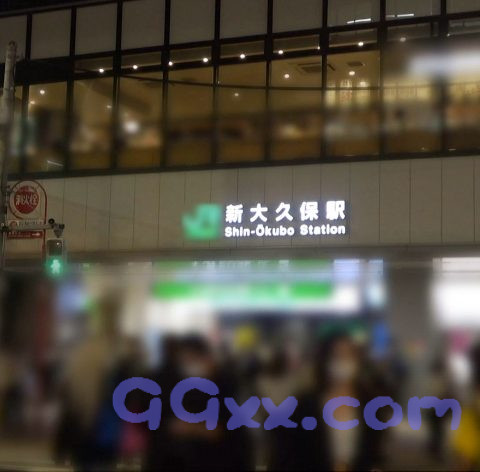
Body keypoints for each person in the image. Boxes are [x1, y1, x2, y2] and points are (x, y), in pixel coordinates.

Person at [144, 335, 252, 470]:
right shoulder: (169, 385)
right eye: (184, 361)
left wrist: (197, 429)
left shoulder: (226, 385)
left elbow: (235, 432)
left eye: (193, 359)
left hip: (218, 459)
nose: (189, 366)